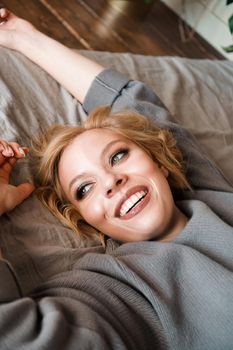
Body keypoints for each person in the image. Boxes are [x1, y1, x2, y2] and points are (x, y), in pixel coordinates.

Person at [0, 7, 233, 350]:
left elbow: (132, 101)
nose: (110, 180)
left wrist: (23, 37)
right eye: (85, 188)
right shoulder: (118, 285)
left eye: (118, 156)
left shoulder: (206, 192)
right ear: (85, 220)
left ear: (160, 163)